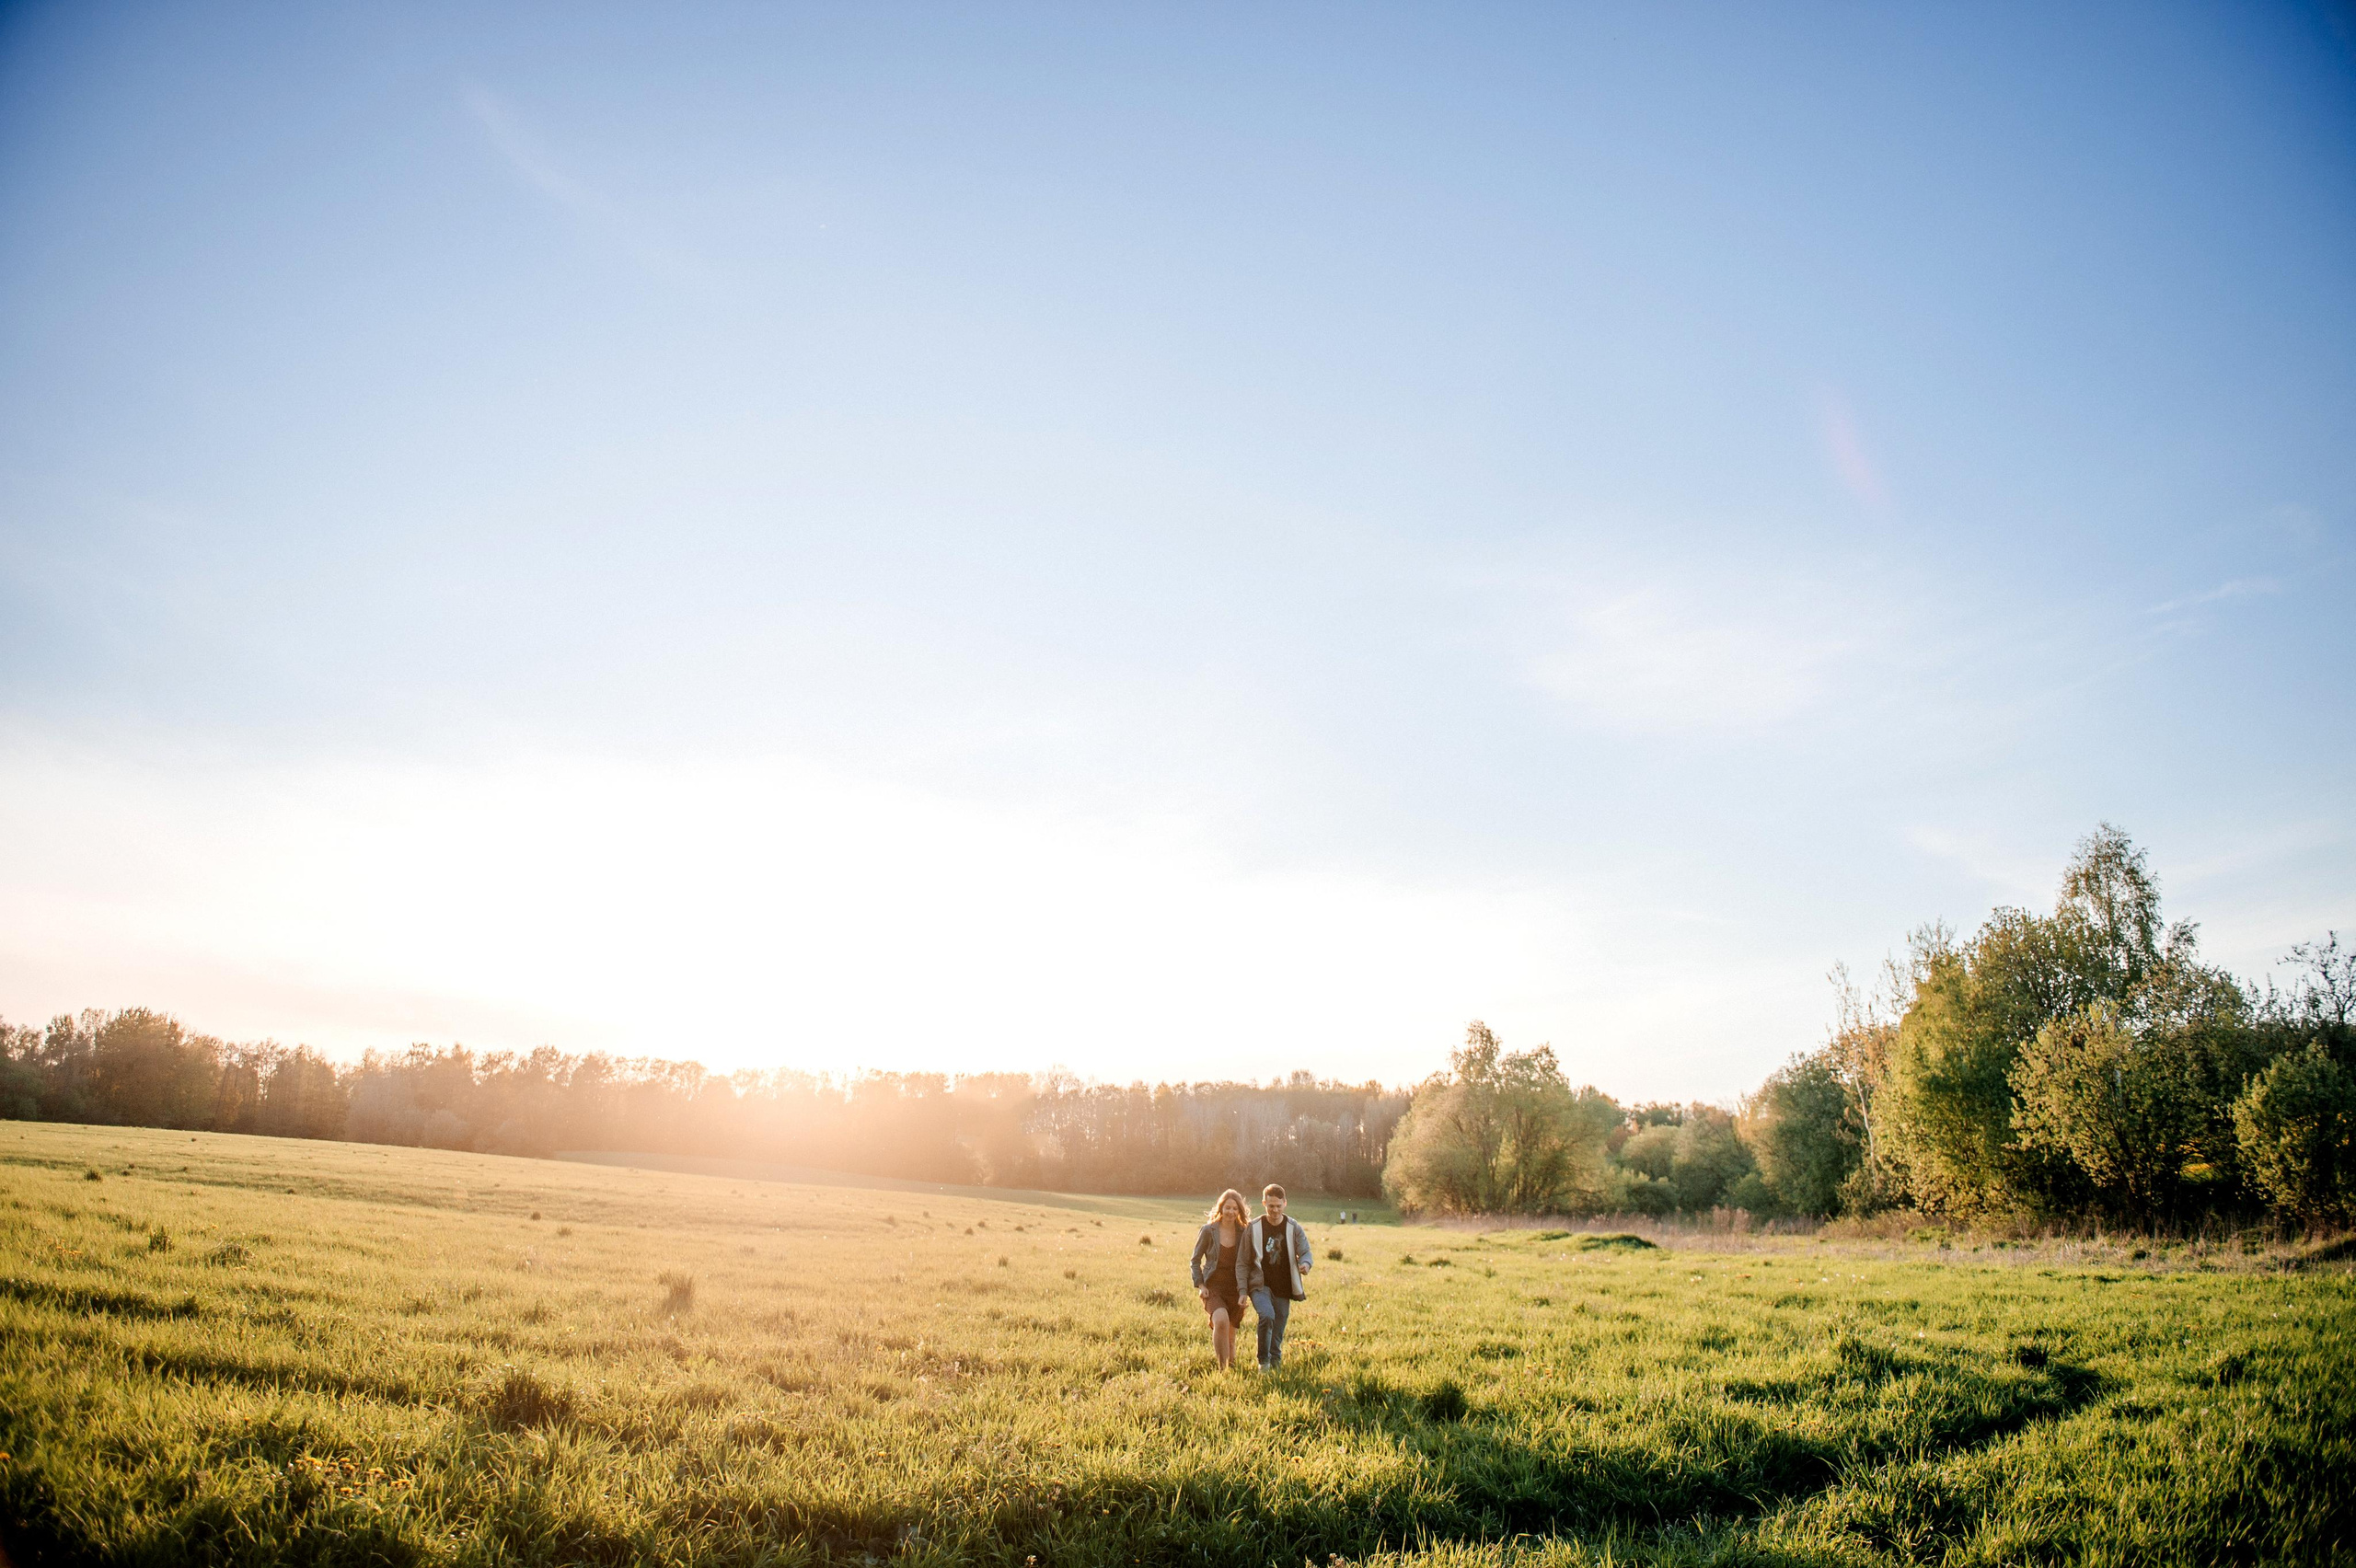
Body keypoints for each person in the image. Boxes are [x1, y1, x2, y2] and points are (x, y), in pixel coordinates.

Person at [1189, 1188, 1262, 1371]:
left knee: (1230, 1336)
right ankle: (1222, 1371)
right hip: (1213, 1286)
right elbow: (1195, 1260)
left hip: (1236, 1288)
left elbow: (1252, 1262)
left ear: (1240, 1211)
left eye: (1235, 1208)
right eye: (1227, 1207)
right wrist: (1201, 1284)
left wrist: (1245, 1291)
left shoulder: (1244, 1232)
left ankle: (1232, 1367)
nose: (1231, 1212)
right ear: (1221, 1208)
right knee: (1220, 1320)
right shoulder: (1208, 1231)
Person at [1248, 1183, 1313, 1370]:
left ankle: (1275, 1362)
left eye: (1278, 1206)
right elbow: (1243, 1260)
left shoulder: (1293, 1227)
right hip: (1260, 1284)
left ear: (1285, 1203)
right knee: (1267, 1316)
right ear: (1264, 1203)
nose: (1275, 1210)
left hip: (1284, 1285)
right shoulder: (1254, 1227)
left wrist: (1306, 1264)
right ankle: (1263, 1362)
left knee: (1279, 1325)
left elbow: (1306, 1251)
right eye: (1271, 1206)